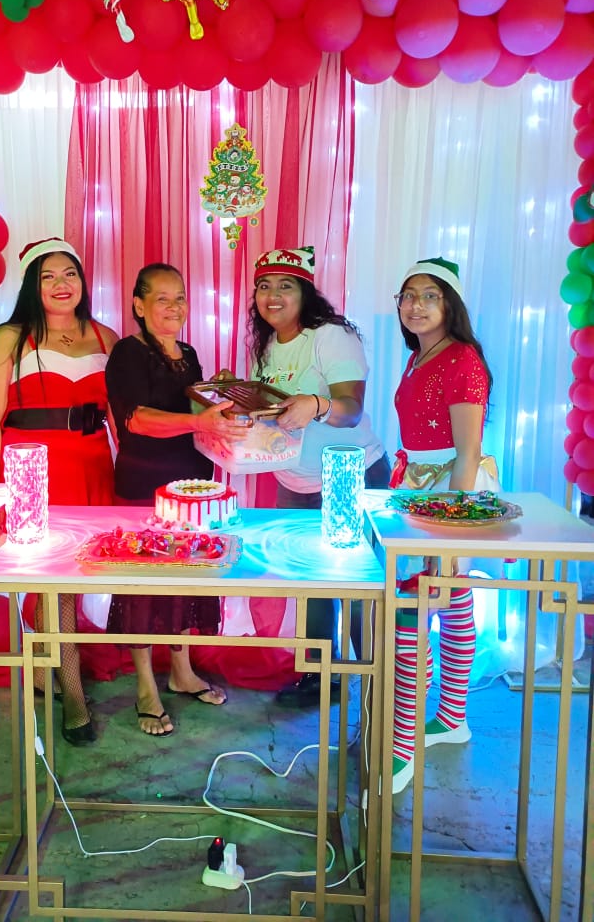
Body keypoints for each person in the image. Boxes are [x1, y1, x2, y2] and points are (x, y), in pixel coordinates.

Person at [0, 237, 118, 747]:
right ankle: (73, 694)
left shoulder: (105, 335)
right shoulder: (8, 339)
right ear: (32, 286)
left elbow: (121, 417)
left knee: (73, 581)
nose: (61, 284)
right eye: (47, 276)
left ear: (83, 281)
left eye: (69, 273)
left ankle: (46, 670)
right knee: (51, 585)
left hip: (93, 470)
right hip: (32, 475)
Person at [105, 262, 248, 737]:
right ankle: (146, 686)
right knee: (143, 587)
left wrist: (217, 398)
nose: (174, 307)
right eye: (162, 298)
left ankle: (181, 672)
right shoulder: (127, 352)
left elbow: (193, 411)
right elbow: (136, 419)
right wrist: (199, 421)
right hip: (144, 485)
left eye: (180, 297)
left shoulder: (187, 354)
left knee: (186, 581)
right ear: (139, 305)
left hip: (191, 486)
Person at [245, 246, 391, 709]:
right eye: (264, 286)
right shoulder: (268, 344)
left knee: (358, 589)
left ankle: (376, 692)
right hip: (294, 481)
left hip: (349, 478)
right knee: (309, 583)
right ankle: (319, 677)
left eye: (285, 286)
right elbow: (272, 413)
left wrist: (317, 404)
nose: (272, 295)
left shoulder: (331, 336)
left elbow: (351, 410)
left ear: (305, 292)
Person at [389, 256, 498, 793]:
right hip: (417, 485)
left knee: (417, 604)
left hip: (450, 490)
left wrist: (451, 526)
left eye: (429, 295)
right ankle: (452, 717)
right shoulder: (419, 356)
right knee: (451, 600)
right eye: (408, 295)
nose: (416, 305)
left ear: (450, 304)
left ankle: (403, 744)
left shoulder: (462, 359)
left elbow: (468, 451)